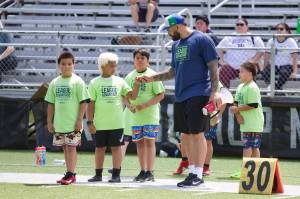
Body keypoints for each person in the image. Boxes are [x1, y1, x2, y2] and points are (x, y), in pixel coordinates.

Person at [138, 14, 221, 187]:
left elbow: (213, 66)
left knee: (198, 134)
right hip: (181, 94)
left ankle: (198, 174)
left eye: (169, 29)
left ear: (177, 26)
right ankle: (192, 171)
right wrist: (151, 78)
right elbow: (172, 72)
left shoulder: (201, 39)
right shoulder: (176, 45)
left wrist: (215, 92)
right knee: (185, 135)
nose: (168, 33)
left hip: (199, 92)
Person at [87, 52, 140, 183]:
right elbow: (90, 104)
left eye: (115, 65)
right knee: (99, 149)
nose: (114, 68)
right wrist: (90, 122)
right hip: (100, 124)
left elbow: (132, 96)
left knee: (116, 149)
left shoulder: (120, 81)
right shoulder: (94, 82)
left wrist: (137, 85)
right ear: (103, 66)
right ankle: (97, 174)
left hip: (117, 123)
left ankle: (116, 175)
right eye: (111, 65)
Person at [45, 51, 90, 185]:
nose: (66, 66)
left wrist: (79, 120)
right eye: (63, 64)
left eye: (69, 64)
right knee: (65, 147)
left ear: (73, 65)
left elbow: (84, 102)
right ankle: (68, 173)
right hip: (60, 123)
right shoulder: (54, 82)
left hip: (73, 123)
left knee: (71, 148)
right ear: (59, 65)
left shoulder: (78, 82)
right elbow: (51, 103)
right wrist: (49, 121)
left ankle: (71, 173)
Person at [124, 49, 165, 182]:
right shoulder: (130, 76)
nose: (140, 60)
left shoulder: (153, 75)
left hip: (150, 115)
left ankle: (150, 171)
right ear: (133, 60)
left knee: (149, 141)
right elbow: (125, 95)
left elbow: (161, 95)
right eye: (137, 58)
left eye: (143, 58)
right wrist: (129, 105)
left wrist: (145, 105)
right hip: (136, 116)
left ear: (148, 61)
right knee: (139, 143)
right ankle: (142, 171)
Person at [173, 82, 227, 176]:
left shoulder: (216, 83)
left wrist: (218, 115)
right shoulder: (198, 79)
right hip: (195, 113)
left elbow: (224, 100)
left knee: (207, 141)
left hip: (210, 117)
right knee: (184, 135)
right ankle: (185, 162)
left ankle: (205, 167)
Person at [230, 62, 264, 178]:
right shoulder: (240, 87)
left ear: (250, 73)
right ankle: (256, 172)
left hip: (254, 123)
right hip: (246, 124)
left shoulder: (252, 87)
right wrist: (238, 115)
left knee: (249, 147)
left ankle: (244, 171)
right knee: (253, 147)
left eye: (242, 71)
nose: (239, 74)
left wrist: (237, 109)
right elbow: (236, 102)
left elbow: (253, 105)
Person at [217, 18, 264, 88]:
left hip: (247, 66)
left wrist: (253, 60)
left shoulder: (253, 37)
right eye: (237, 24)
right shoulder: (229, 37)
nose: (239, 26)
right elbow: (218, 49)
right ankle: (225, 92)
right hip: (232, 66)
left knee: (250, 69)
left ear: (247, 27)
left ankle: (248, 92)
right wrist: (222, 61)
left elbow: (262, 50)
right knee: (224, 69)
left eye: (241, 24)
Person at [261, 23, 298, 91]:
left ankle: (276, 88)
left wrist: (294, 72)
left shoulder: (291, 41)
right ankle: (274, 87)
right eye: (277, 29)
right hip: (273, 65)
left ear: (286, 31)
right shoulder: (271, 41)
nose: (279, 30)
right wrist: (264, 67)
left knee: (284, 72)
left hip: (286, 65)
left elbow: (295, 57)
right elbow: (266, 56)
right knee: (264, 73)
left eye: (281, 29)